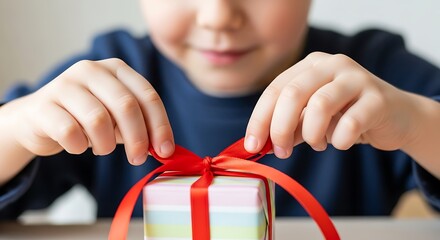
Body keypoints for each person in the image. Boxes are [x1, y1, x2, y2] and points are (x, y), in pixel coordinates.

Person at [1, 0, 440, 219]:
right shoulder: (104, 81)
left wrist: (417, 123)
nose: (218, 16)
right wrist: (17, 129)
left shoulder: (373, 73)